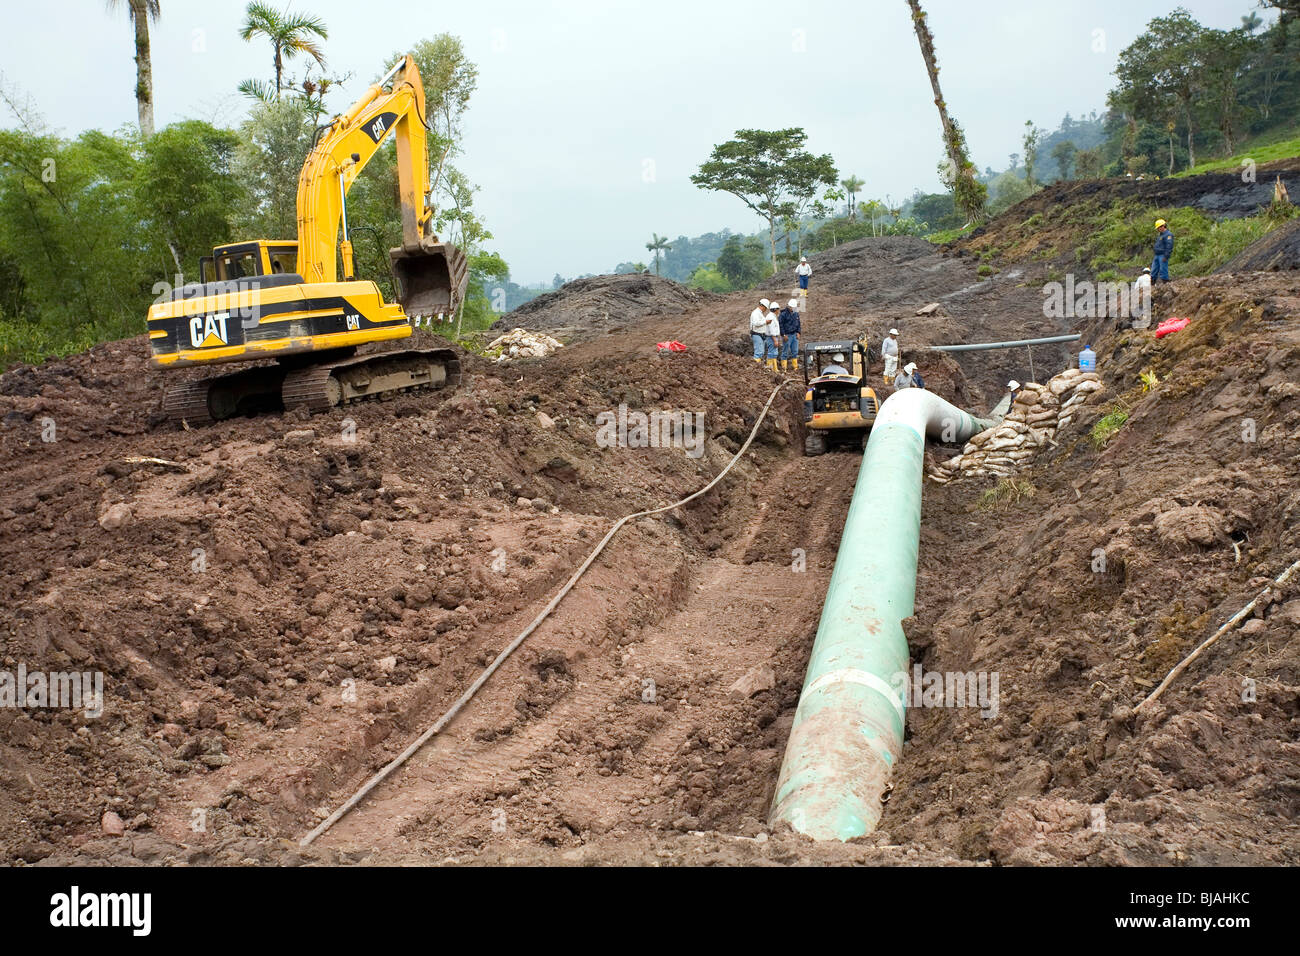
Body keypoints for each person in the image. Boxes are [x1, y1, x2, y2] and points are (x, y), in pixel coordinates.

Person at [778, 298, 801, 371]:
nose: (793, 309)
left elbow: (798, 324)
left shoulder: (796, 313)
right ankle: (784, 368)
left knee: (795, 351)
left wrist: (798, 332)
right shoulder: (783, 314)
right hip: (787, 335)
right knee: (785, 351)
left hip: (794, 334)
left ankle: (795, 367)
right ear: (789, 306)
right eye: (792, 307)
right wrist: (783, 335)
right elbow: (781, 325)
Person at [749, 298, 770, 365]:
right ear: (763, 306)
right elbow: (756, 323)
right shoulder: (755, 313)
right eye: (766, 308)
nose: (766, 309)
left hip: (760, 334)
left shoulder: (759, 313)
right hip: (757, 334)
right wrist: (765, 321)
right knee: (759, 352)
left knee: (761, 351)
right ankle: (755, 366)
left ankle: (757, 365)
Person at [764, 300, 783, 372]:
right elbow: (772, 330)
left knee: (774, 353)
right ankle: (770, 368)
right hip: (771, 337)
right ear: (775, 309)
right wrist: (775, 340)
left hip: (773, 337)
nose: (779, 311)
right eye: (778, 309)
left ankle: (774, 368)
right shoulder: (770, 317)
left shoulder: (772, 316)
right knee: (772, 353)